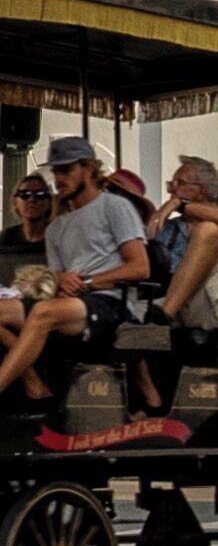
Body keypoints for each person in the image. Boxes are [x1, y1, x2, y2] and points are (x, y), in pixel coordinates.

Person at [0, 140, 149, 405]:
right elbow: (57, 278)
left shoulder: (114, 206)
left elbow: (140, 267)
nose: (59, 178)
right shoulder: (56, 228)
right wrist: (59, 279)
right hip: (72, 303)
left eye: (66, 170)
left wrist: (89, 282)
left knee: (43, 313)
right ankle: (35, 386)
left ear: (89, 169)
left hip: (112, 301)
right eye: (56, 172)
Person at [151, 156, 218, 329]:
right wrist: (158, 215)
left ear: (201, 190)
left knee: (208, 230)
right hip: (168, 293)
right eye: (171, 184)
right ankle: (163, 313)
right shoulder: (171, 227)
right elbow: (148, 239)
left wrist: (181, 205)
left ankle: (164, 315)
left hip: (212, 302)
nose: (171, 190)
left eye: (178, 183)